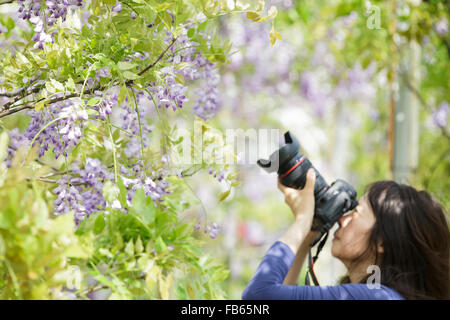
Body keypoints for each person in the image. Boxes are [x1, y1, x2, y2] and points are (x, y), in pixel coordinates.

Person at [242, 168, 450, 300]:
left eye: (356, 212)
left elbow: (257, 299)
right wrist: (309, 234)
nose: (341, 219)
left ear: (381, 240)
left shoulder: (376, 296)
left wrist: (302, 219)